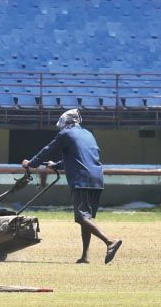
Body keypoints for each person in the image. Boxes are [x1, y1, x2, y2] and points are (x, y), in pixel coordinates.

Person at [22, 109, 122, 264]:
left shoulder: (66, 134)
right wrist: (56, 165)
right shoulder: (88, 134)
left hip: (81, 180)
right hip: (96, 179)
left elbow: (48, 150)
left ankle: (110, 242)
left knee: (81, 217)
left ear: (67, 122)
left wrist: (31, 163)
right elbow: (80, 158)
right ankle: (85, 256)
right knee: (87, 218)